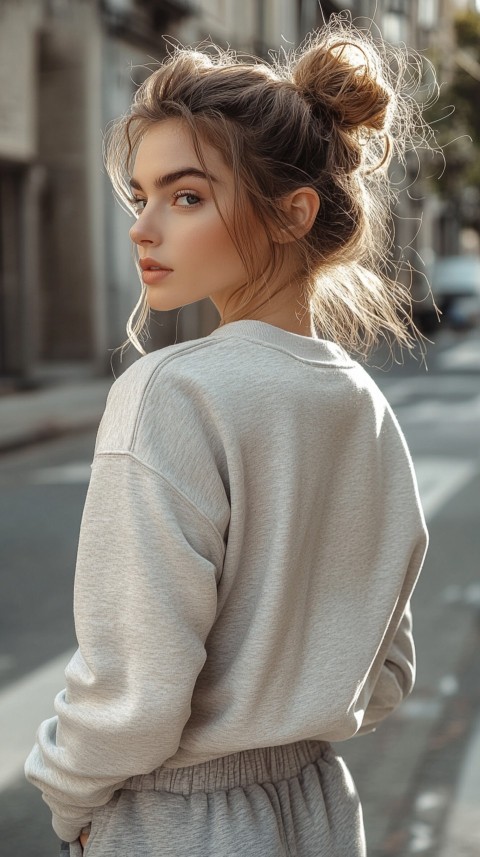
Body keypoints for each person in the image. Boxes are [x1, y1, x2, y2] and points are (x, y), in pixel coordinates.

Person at [25, 14, 432, 857]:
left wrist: (70, 804)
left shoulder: (170, 391)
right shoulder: (360, 400)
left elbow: (134, 686)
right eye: (140, 197)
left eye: (185, 196)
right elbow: (387, 672)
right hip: (320, 807)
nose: (144, 226)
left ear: (292, 214)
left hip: (176, 822)